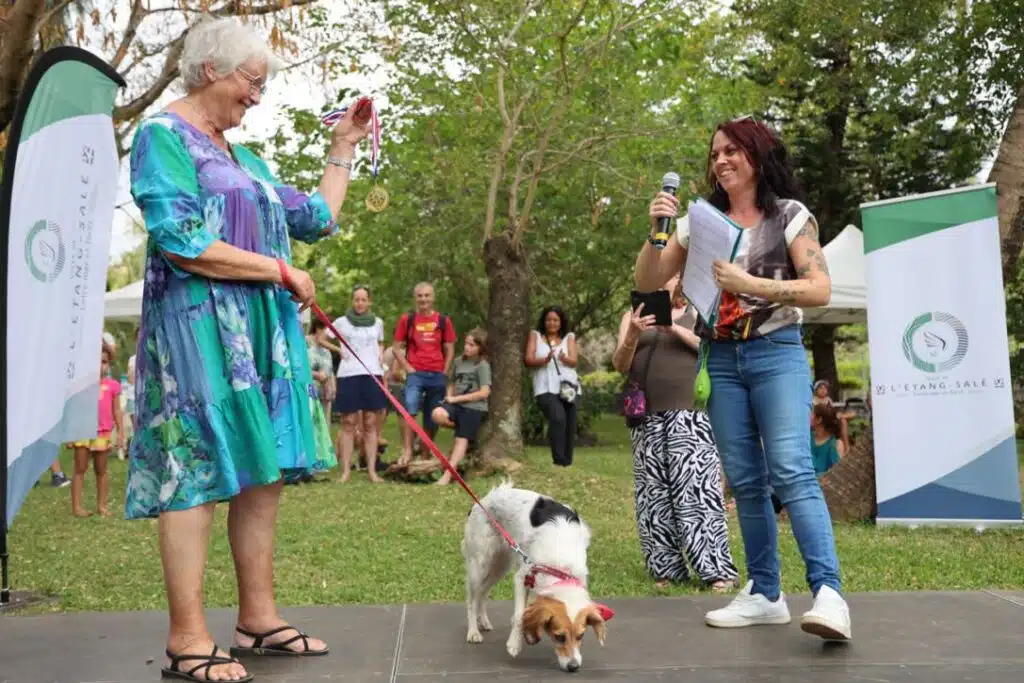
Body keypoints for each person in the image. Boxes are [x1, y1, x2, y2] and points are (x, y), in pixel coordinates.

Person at [124, 16, 369, 682]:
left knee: (260, 476)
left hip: (257, 336)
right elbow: (182, 239)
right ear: (212, 69)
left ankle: (257, 617)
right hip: (196, 331)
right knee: (197, 472)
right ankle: (187, 638)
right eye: (252, 82)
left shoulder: (244, 159)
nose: (257, 98)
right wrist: (279, 271)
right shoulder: (161, 137)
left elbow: (315, 218)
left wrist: (343, 144)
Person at [633, 115, 850, 641]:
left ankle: (829, 594)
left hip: (776, 352)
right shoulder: (701, 221)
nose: (720, 160)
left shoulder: (790, 217)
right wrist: (654, 232)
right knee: (747, 481)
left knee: (792, 469)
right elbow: (648, 285)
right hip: (722, 359)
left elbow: (819, 288)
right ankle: (765, 594)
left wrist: (748, 281)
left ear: (757, 154)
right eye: (714, 154)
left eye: (731, 150)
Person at [611, 276, 738, 591]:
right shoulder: (633, 315)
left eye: (675, 273)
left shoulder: (701, 309)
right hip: (645, 415)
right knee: (653, 494)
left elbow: (713, 349)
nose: (669, 278)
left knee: (696, 490)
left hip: (690, 413)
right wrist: (633, 334)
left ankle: (716, 569)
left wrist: (672, 328)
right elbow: (620, 363)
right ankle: (665, 568)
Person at [392, 282, 456, 464]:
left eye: (427, 295)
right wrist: (408, 368)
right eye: (420, 296)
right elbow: (396, 348)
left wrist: (444, 371)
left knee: (433, 414)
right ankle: (407, 450)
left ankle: (426, 452)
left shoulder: (443, 321)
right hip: (416, 374)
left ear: (433, 298)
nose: (423, 299)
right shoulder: (408, 320)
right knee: (409, 410)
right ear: (415, 298)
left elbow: (450, 348)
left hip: (437, 373)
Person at [328, 285, 387, 483]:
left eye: (363, 300)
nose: (360, 303)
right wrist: (338, 350)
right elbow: (321, 337)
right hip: (348, 374)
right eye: (356, 300)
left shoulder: (378, 323)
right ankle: (345, 471)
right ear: (352, 301)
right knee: (348, 422)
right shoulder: (341, 322)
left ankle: (372, 471)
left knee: (370, 422)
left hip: (372, 374)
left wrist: (380, 354)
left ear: (369, 302)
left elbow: (380, 342)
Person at [67, 347, 124, 517]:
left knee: (102, 470)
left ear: (109, 364)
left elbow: (117, 411)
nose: (100, 366)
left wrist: (121, 431)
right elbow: (73, 409)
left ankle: (102, 505)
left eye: (104, 362)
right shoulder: (80, 386)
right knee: (80, 468)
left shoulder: (113, 386)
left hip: (103, 434)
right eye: (96, 362)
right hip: (82, 432)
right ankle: (77, 506)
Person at [431, 328, 491, 486]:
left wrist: (457, 398)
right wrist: (449, 397)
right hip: (456, 404)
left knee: (460, 440)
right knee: (437, 414)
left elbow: (484, 392)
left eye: (472, 345)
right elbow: (451, 382)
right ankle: (465, 430)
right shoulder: (458, 361)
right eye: (466, 344)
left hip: (474, 407)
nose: (467, 347)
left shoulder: (482, 365)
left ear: (480, 348)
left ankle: (448, 475)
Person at [524, 306, 581, 467]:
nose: (552, 323)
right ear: (544, 321)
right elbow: (528, 360)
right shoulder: (535, 336)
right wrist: (544, 360)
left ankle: (567, 462)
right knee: (557, 418)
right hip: (545, 387)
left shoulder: (569, 337)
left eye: (555, 320)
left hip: (568, 387)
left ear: (561, 322)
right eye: (548, 319)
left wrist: (564, 358)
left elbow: (574, 361)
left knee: (570, 424)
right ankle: (558, 459)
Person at [810, 403, 849, 477]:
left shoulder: (836, 444)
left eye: (811, 414)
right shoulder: (806, 438)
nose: (808, 416)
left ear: (819, 420)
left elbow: (838, 474)